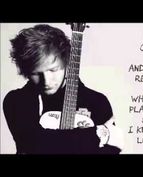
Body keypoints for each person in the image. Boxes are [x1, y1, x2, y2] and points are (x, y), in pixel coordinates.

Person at [3, 24, 124, 154]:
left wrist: (58, 140)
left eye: (53, 70)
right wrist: (101, 133)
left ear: (67, 63)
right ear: (26, 71)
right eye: (36, 73)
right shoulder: (16, 101)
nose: (46, 81)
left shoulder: (97, 101)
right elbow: (35, 144)